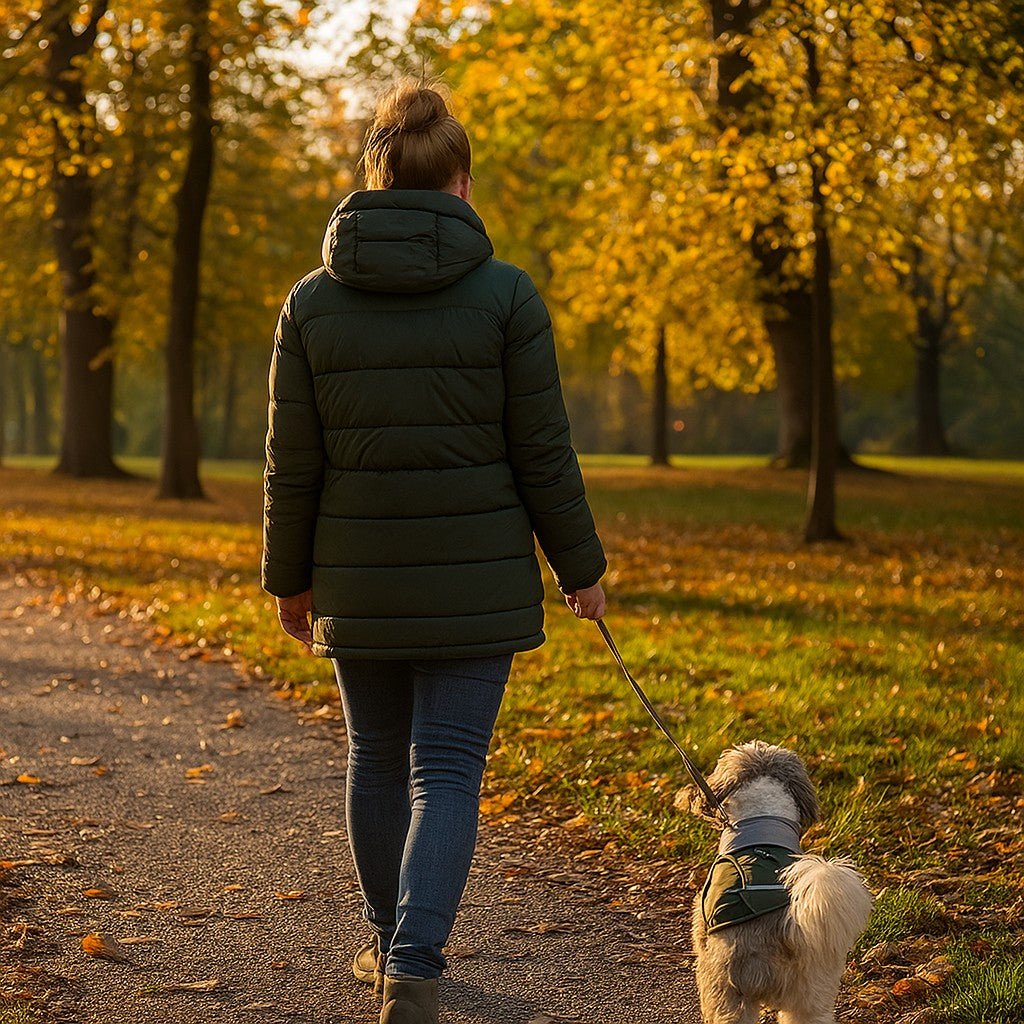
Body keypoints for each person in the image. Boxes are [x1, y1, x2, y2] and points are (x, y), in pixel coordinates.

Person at [261, 81, 607, 1024]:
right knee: (446, 768)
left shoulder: (311, 304)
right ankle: (417, 962)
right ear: (460, 182)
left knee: (376, 758)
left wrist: (287, 582)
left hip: (359, 580)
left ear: (374, 178)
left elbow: (292, 463)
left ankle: (386, 944)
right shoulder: (506, 295)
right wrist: (581, 568)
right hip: (477, 579)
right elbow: (544, 447)